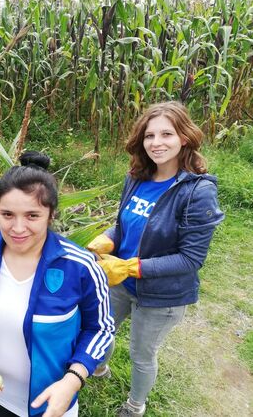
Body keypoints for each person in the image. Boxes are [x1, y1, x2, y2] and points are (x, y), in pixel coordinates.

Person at [87, 101, 224, 417]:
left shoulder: (197, 192)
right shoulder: (136, 176)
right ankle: (98, 369)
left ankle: (136, 406)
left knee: (141, 354)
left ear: (184, 138)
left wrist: (129, 267)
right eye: (150, 136)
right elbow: (124, 225)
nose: (156, 143)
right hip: (120, 281)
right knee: (100, 328)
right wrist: (108, 239)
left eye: (167, 134)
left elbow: (190, 259)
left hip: (162, 294)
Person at [0, 151, 114, 417]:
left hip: (51, 403)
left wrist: (72, 381)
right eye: (7, 214)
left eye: (32, 216)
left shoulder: (80, 266)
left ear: (51, 215)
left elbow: (100, 329)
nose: (17, 228)